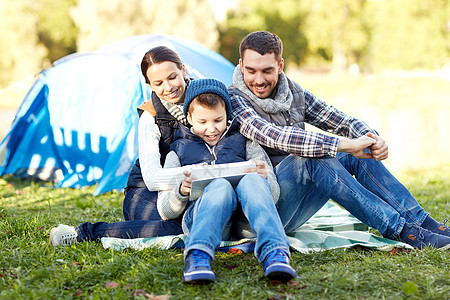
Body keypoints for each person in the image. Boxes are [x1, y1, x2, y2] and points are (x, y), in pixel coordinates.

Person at [228, 31, 450, 250]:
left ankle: (423, 222)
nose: (259, 80)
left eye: (267, 71)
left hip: (293, 208)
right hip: (255, 215)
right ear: (240, 65)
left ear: (280, 66)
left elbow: (340, 120)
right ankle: (403, 231)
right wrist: (345, 145)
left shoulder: (294, 93)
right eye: (251, 71)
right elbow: (273, 136)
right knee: (311, 157)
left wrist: (371, 139)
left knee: (354, 154)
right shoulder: (233, 99)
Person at [50, 46, 198, 246]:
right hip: (145, 193)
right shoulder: (150, 116)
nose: (168, 87)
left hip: (190, 190)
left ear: (183, 70)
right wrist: (198, 174)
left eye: (172, 77)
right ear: (149, 85)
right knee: (181, 225)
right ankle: (83, 233)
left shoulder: (206, 99)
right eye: (158, 83)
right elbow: (153, 179)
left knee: (203, 217)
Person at [158, 78, 295, 283]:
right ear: (189, 117)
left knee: (252, 180)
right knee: (220, 185)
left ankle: (275, 252)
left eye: (218, 120)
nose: (211, 129)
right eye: (203, 122)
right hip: (200, 219)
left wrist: (264, 177)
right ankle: (198, 255)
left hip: (244, 223)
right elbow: (164, 210)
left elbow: (273, 195)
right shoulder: (177, 151)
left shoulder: (246, 141)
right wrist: (181, 191)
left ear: (228, 116)